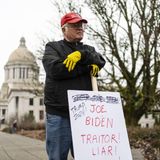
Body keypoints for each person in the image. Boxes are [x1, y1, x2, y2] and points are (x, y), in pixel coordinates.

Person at [42, 12, 106, 160]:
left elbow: (101, 61)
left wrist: (81, 56)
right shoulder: (53, 47)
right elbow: (56, 70)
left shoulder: (88, 49)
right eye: (75, 25)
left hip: (85, 114)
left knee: (86, 156)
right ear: (64, 29)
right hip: (59, 112)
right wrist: (86, 67)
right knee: (57, 156)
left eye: (81, 25)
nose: (80, 28)